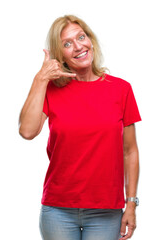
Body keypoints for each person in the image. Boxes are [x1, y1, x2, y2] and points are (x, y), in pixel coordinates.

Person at [19, 15, 142, 240]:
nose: (78, 46)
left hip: (106, 211)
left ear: (90, 40)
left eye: (81, 37)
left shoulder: (121, 90)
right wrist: (40, 79)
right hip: (58, 209)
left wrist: (131, 204)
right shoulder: (51, 90)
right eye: (67, 43)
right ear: (60, 55)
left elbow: (130, 151)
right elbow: (27, 131)